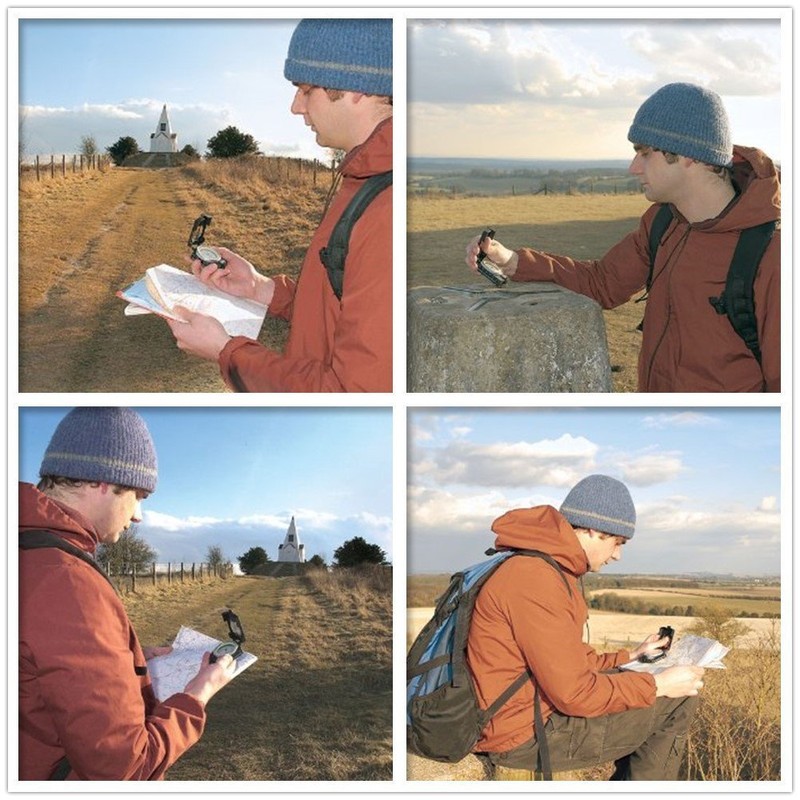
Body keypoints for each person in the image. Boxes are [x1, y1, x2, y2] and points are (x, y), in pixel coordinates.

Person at [466, 82, 780, 393]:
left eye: (644, 153)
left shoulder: (772, 253)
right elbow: (602, 283)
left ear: (688, 155)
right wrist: (510, 260)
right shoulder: (661, 223)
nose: (633, 167)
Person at [167, 18, 393, 392]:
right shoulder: (363, 177)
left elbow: (352, 394)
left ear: (357, 88)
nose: (295, 107)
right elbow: (339, 305)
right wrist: (261, 289)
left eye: (306, 90)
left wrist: (227, 351)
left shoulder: (385, 206)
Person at [19, 408, 236, 780]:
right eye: (139, 496)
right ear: (104, 481)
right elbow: (124, 766)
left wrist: (125, 661)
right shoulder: (68, 582)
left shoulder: (26, 549)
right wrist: (195, 697)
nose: (138, 516)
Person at [467, 474, 704, 780]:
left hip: (522, 713)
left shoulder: (541, 566)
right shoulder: (536, 579)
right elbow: (575, 694)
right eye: (617, 542)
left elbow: (568, 661)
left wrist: (632, 657)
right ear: (593, 529)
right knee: (679, 698)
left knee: (649, 685)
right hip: (519, 734)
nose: (618, 554)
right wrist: (659, 685)